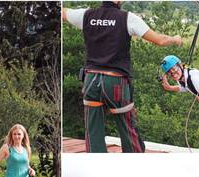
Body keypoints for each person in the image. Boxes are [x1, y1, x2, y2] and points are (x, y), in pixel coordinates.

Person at [63, 1, 182, 153]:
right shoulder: (127, 18)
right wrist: (175, 39)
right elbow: (160, 40)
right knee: (128, 130)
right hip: (115, 81)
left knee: (93, 134)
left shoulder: (86, 15)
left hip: (91, 80)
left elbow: (63, 12)